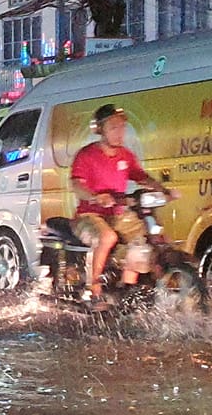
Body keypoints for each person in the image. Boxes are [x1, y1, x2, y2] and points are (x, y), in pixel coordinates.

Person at [68, 103, 158, 304]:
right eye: (113, 128)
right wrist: (94, 197)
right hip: (88, 216)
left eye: (122, 127)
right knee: (107, 237)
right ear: (100, 130)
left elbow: (140, 176)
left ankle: (127, 294)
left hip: (117, 214)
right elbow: (76, 184)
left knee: (144, 239)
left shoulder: (125, 155)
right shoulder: (86, 155)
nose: (120, 132)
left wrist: (162, 189)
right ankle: (95, 289)